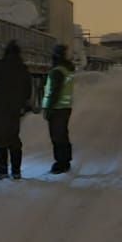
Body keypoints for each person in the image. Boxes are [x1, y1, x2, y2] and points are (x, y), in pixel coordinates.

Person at [0, 40, 31, 180]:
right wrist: (22, 104)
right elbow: (28, 90)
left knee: (0, 139)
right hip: (14, 110)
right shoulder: (22, 68)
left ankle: (2, 170)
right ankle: (16, 171)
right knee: (14, 138)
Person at [43, 43, 76, 173]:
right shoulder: (67, 69)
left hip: (57, 108)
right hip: (65, 107)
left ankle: (61, 163)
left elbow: (54, 92)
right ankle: (65, 160)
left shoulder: (57, 71)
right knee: (62, 135)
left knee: (57, 137)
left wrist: (48, 109)